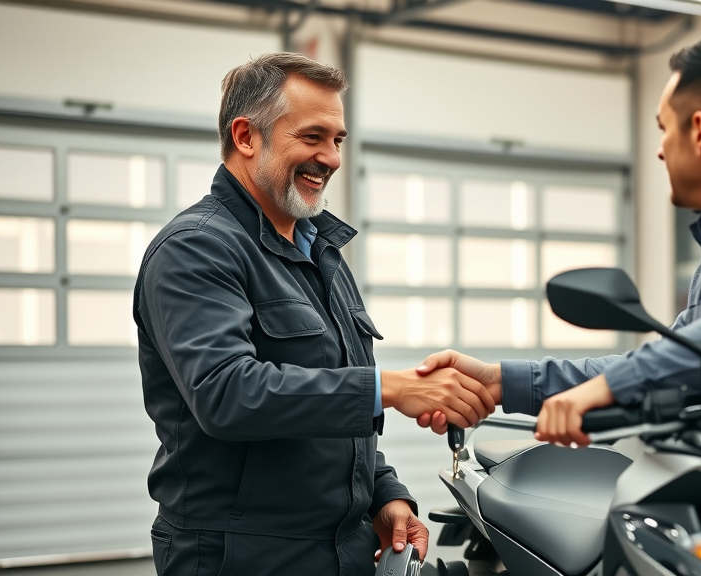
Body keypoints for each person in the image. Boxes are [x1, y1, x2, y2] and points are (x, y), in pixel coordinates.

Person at [416, 33, 701, 447]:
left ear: (700, 131)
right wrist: (503, 382)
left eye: (664, 128)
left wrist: (605, 389)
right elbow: (672, 361)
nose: (659, 149)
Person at [133, 53, 495, 576]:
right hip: (242, 558)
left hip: (343, 551)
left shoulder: (320, 251)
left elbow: (329, 415)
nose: (332, 158)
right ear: (246, 136)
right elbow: (225, 393)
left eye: (338, 140)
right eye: (312, 137)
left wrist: (384, 495)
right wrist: (391, 388)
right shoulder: (196, 248)